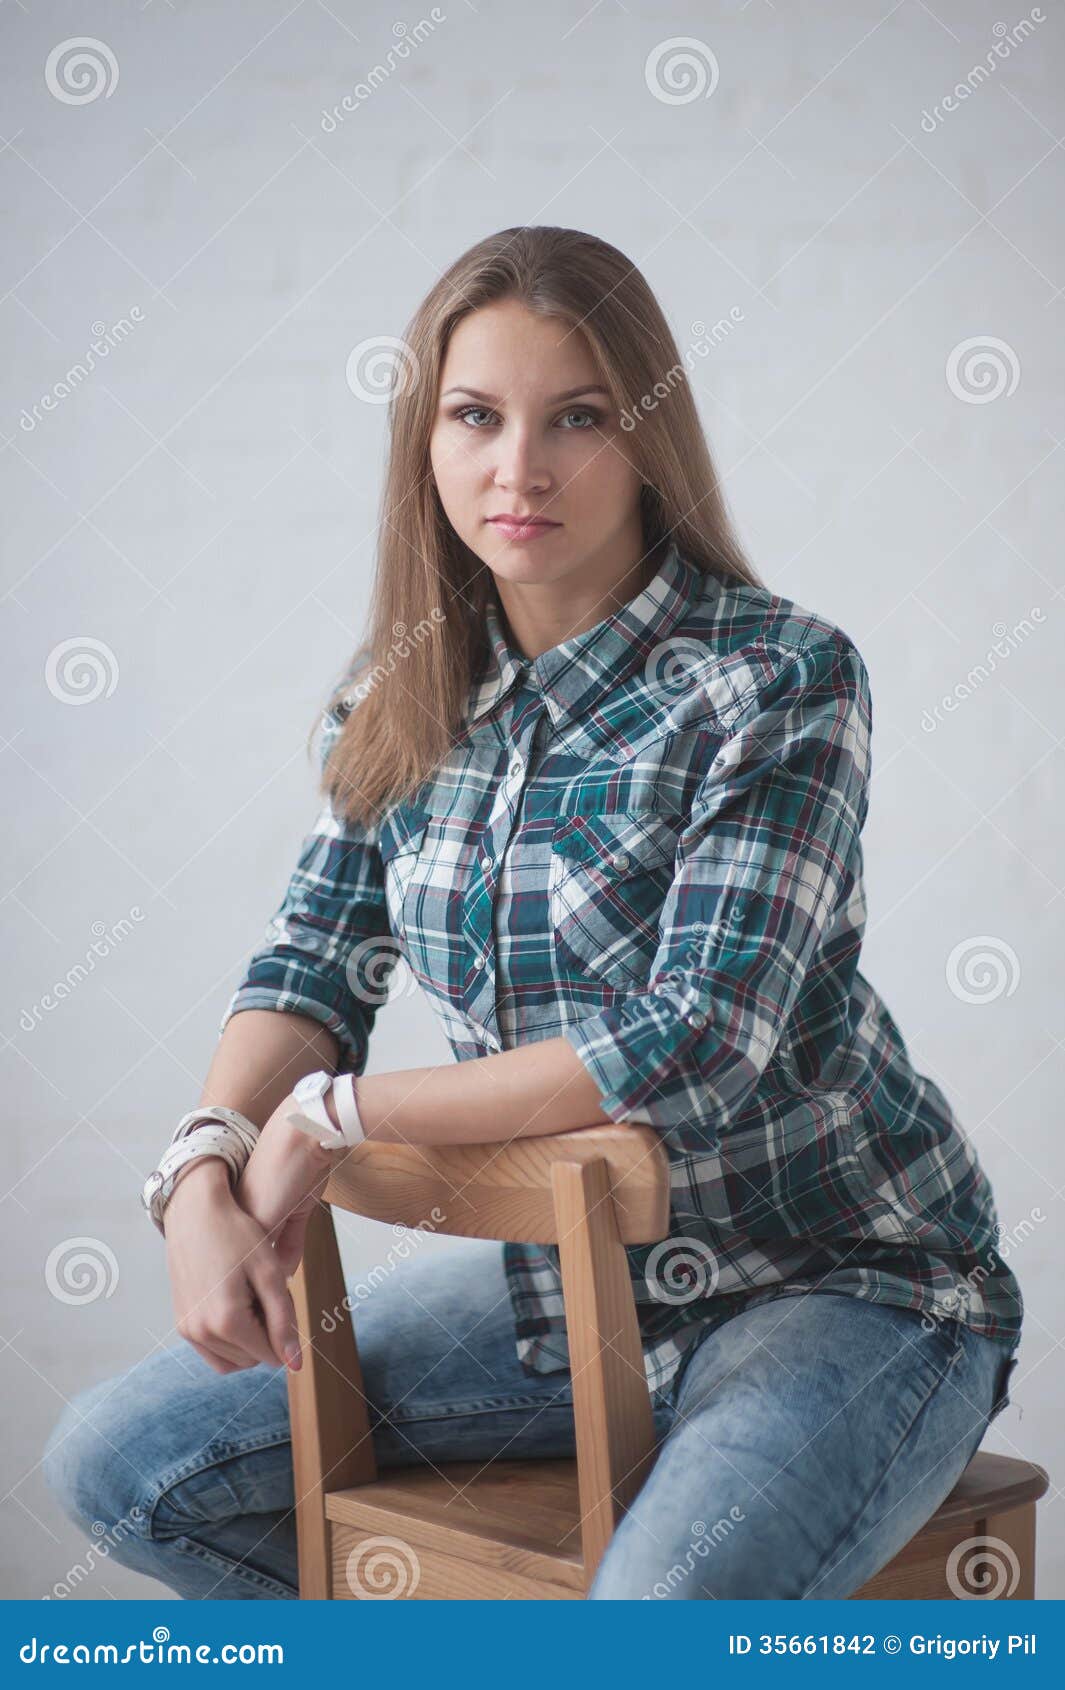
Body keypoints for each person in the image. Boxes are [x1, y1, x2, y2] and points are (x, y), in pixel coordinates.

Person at [42, 225, 1022, 1601]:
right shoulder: (394, 704)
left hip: (838, 1280)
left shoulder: (774, 677)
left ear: (647, 440)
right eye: (475, 416)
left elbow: (691, 1040)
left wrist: (333, 1119)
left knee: (651, 1613)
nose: (520, 467)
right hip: (575, 1287)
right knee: (123, 1458)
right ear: (424, 443)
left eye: (578, 417)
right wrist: (200, 1164)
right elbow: (309, 968)